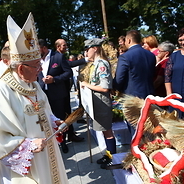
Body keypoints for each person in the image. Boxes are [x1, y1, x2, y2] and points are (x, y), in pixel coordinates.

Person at [0, 13, 68, 184]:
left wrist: (53, 121)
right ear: (20, 69)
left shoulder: (34, 86)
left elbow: (43, 113)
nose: (41, 69)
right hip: (23, 169)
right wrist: (28, 145)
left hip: (47, 156)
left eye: (40, 63)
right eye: (36, 65)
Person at [38, 39, 83, 154]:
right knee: (49, 118)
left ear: (43, 48)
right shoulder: (37, 60)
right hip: (44, 95)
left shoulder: (57, 57)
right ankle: (57, 141)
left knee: (60, 117)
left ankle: (64, 141)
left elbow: (68, 73)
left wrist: (54, 80)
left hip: (58, 94)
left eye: (38, 50)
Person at [80, 38, 116, 169]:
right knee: (103, 131)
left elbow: (105, 87)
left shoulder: (102, 64)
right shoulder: (95, 64)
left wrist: (87, 85)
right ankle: (108, 154)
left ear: (95, 49)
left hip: (102, 102)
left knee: (107, 131)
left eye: (87, 50)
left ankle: (113, 156)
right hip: (96, 102)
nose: (86, 53)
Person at [113, 30, 156, 99]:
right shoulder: (151, 55)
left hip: (132, 96)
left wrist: (115, 88)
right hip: (150, 94)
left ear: (129, 40)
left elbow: (119, 79)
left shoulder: (125, 56)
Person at [165, 28, 184, 118]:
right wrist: (169, 95)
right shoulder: (174, 56)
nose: (183, 42)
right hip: (176, 97)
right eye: (180, 40)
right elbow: (167, 76)